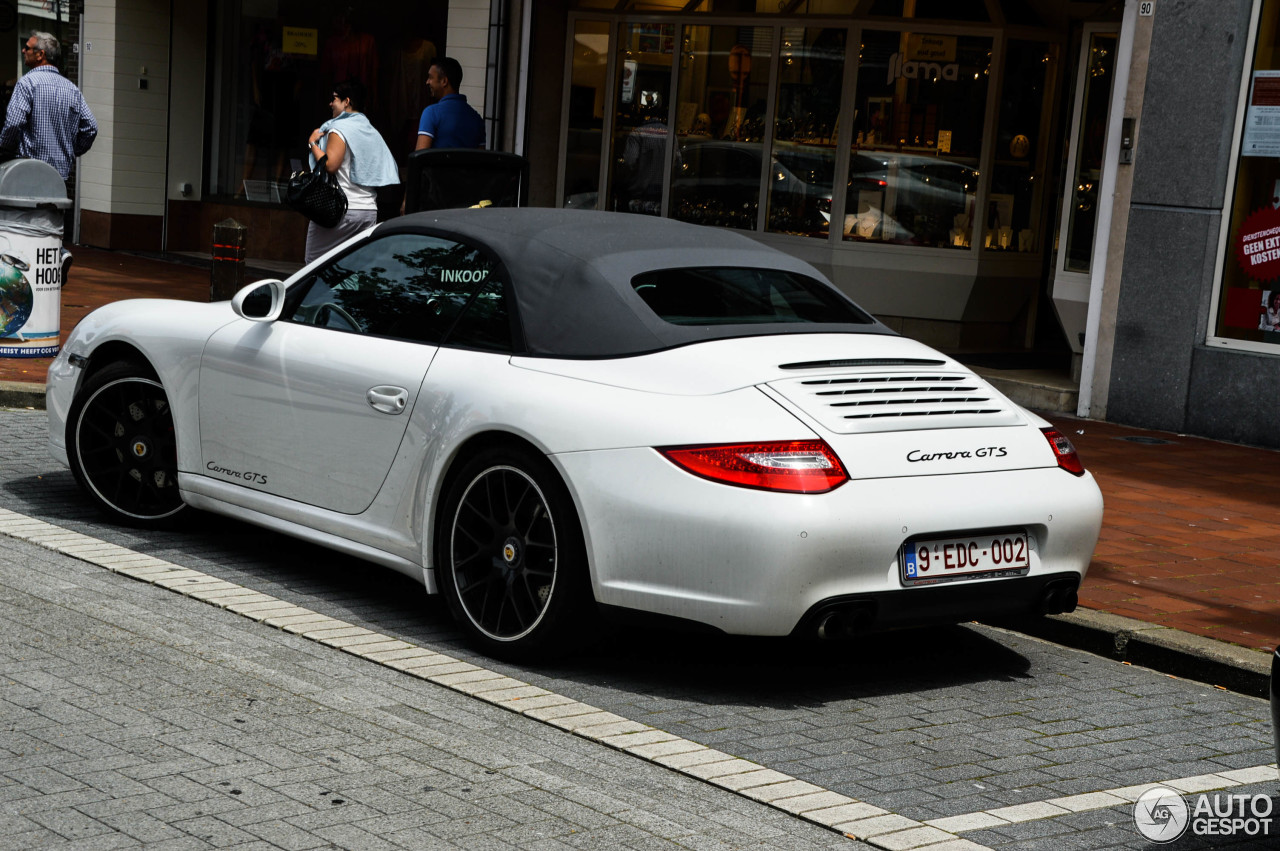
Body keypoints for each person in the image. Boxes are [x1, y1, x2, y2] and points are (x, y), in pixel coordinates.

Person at [304, 79, 399, 264]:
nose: (330, 104)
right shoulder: (370, 130)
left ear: (347, 101)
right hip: (368, 211)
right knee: (351, 271)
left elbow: (330, 165)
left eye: (334, 99)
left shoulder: (339, 129)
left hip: (340, 210)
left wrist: (313, 143)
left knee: (313, 266)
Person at [0, 31, 97, 180]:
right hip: (59, 176)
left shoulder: (27, 83)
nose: (23, 50)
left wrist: (4, 149)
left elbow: (14, 122)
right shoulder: (72, 89)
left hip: (28, 171)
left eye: (27, 47)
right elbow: (91, 127)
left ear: (40, 55)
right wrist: (71, 150)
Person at [414, 57, 485, 150]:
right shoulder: (476, 118)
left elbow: (420, 158)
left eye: (431, 77)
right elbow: (481, 159)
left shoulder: (431, 113)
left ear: (444, 81)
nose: (427, 82)